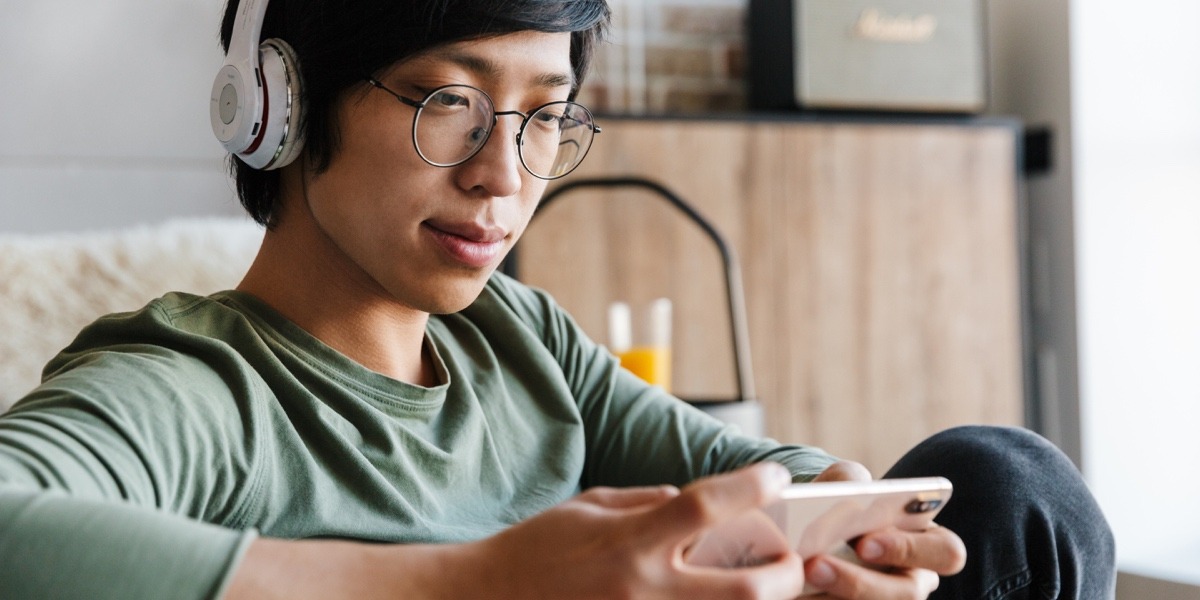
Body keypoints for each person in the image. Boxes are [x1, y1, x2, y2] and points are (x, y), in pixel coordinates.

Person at [0, 0, 1115, 598]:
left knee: (1007, 486)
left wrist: (845, 522)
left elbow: (742, 470)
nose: (503, 174)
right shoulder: (198, 393)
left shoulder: (513, 336)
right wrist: (475, 586)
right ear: (279, 107)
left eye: (545, 115)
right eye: (449, 101)